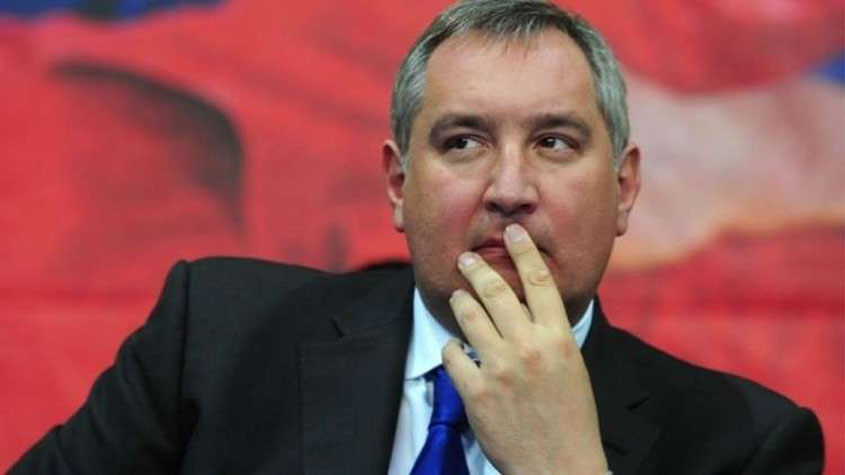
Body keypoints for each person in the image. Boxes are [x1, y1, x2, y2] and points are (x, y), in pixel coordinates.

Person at [11, 1, 824, 473]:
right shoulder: (215, 342)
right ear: (399, 185)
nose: (509, 188)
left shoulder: (745, 446)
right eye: (463, 142)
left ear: (624, 188)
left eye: (554, 143)